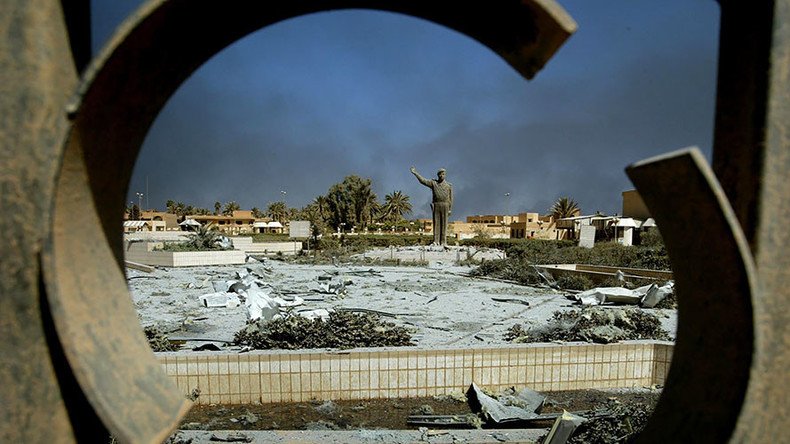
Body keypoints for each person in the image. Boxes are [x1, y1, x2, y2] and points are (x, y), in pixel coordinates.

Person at [410, 166, 453, 246]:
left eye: (443, 174)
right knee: (436, 223)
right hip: (436, 205)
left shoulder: (449, 186)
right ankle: (436, 241)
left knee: (444, 224)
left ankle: (444, 242)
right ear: (438, 175)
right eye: (440, 174)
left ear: (445, 175)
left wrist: (450, 209)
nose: (442, 175)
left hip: (445, 205)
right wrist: (415, 173)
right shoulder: (434, 183)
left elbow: (451, 198)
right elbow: (423, 181)